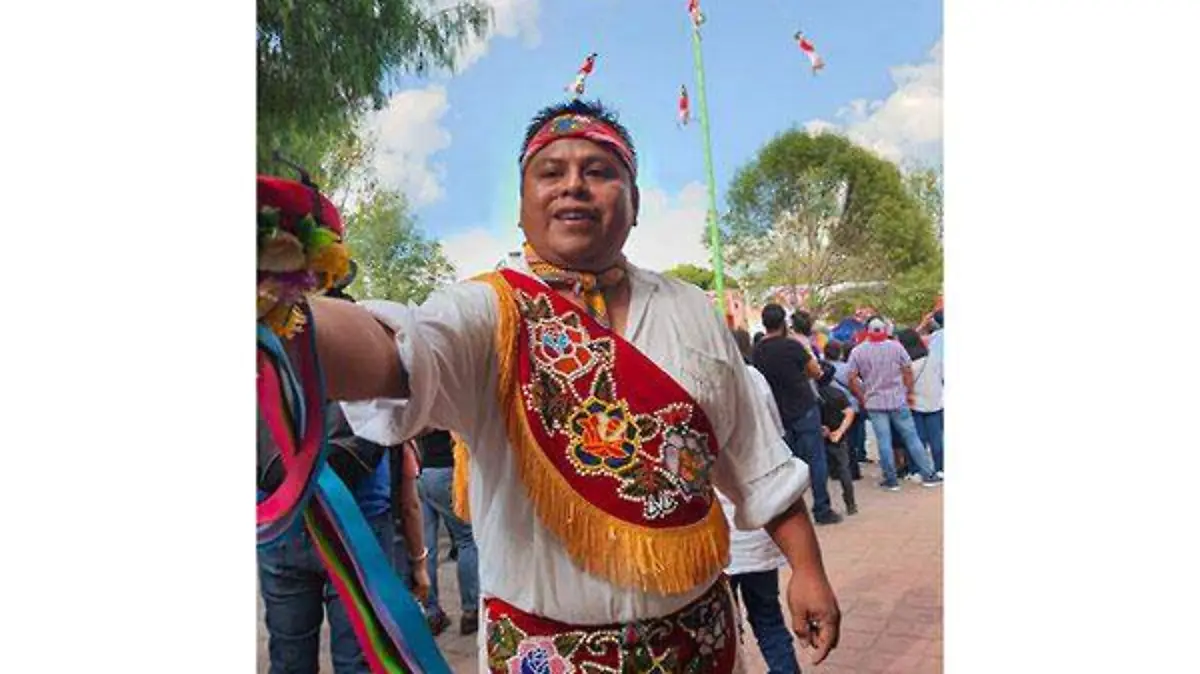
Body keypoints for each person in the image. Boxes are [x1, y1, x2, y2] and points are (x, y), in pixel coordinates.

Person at [301, 99, 841, 672]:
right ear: (521, 204)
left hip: (699, 643)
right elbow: (395, 351)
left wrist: (807, 569)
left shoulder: (690, 308)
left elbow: (755, 457)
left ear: (633, 204)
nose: (574, 186)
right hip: (543, 653)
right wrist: (279, 308)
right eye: (551, 172)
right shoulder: (488, 309)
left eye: (600, 171)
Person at [257, 403, 396, 674]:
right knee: (359, 659)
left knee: (290, 659)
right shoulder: (360, 360)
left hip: (282, 518)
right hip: (357, 519)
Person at [723, 328, 801, 674]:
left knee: (724, 630)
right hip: (757, 527)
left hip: (718, 536)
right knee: (768, 619)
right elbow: (775, 437)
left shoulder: (685, 380)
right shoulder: (754, 378)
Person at [753, 303, 843, 526]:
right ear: (783, 322)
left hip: (778, 412)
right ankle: (822, 509)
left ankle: (792, 512)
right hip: (803, 408)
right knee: (816, 460)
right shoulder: (792, 346)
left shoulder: (758, 351)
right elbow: (815, 371)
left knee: (788, 464)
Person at [847, 317, 943, 491]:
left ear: (867, 331)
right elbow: (907, 370)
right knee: (912, 438)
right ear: (885, 331)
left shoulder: (858, 351)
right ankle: (929, 475)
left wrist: (862, 396)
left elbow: (851, 377)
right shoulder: (896, 347)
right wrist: (907, 391)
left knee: (884, 441)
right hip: (898, 400)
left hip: (874, 402)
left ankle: (891, 480)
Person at [416, 429, 481, 636]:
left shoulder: (422, 403)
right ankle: (471, 611)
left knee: (427, 546)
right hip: (448, 471)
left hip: (421, 474)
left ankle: (431, 612)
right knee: (467, 539)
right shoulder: (447, 400)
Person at [901, 328, 944, 478]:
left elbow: (904, 384)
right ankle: (940, 468)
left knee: (917, 439)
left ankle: (917, 470)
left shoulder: (907, 364)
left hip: (915, 404)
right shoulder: (935, 358)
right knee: (936, 438)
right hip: (935, 401)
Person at [817, 362, 858, 516]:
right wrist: (840, 431)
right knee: (844, 470)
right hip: (838, 437)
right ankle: (850, 503)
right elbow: (849, 412)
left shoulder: (812, 396)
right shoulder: (837, 394)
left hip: (819, 437)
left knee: (819, 471)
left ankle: (822, 503)